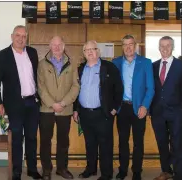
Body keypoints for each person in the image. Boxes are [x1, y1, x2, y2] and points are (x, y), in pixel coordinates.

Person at [0, 25, 42, 180]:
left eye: (24, 36)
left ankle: (32, 169)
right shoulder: (2, 56)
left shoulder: (32, 53)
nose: (21, 39)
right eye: (18, 35)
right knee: (17, 138)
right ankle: (17, 171)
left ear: (27, 38)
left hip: (32, 102)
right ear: (11, 36)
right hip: (14, 105)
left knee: (32, 137)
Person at [73, 40, 123, 180]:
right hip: (85, 113)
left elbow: (118, 89)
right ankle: (91, 169)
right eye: (86, 50)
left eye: (93, 49)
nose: (90, 52)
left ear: (98, 51)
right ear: (83, 53)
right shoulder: (80, 68)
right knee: (90, 144)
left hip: (103, 113)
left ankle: (107, 174)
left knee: (105, 145)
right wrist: (76, 110)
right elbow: (76, 91)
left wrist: (114, 109)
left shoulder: (109, 67)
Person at [112, 34, 155, 180]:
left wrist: (145, 106)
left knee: (138, 141)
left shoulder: (146, 62)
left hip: (139, 108)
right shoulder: (115, 62)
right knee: (122, 141)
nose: (128, 47)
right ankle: (122, 170)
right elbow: (112, 87)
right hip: (122, 108)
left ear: (135, 45)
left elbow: (150, 88)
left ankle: (137, 171)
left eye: (131, 44)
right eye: (125, 45)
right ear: (122, 47)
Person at [37, 36, 80, 180]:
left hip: (65, 109)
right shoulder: (42, 64)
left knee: (63, 141)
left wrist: (63, 103)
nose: (56, 47)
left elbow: (75, 86)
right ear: (50, 46)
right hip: (46, 109)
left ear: (63, 46)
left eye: (59, 44)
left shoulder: (72, 64)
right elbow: (40, 87)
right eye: (53, 45)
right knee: (45, 141)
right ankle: (47, 169)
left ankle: (62, 168)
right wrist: (52, 104)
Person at [151, 36, 182, 180]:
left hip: (176, 112)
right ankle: (166, 171)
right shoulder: (153, 66)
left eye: (168, 45)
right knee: (162, 143)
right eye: (162, 46)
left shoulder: (180, 65)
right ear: (158, 47)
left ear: (173, 47)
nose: (165, 48)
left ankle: (178, 173)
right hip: (157, 112)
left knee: (177, 143)